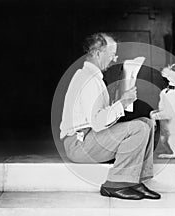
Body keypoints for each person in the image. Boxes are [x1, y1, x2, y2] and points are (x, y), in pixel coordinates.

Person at [60, 33, 161, 200]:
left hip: (88, 138)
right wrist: (122, 103)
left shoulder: (92, 77)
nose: (115, 59)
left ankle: (133, 180)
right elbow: (98, 123)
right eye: (112, 53)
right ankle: (116, 183)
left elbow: (99, 118)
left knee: (146, 123)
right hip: (79, 145)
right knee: (139, 128)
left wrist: (120, 100)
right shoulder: (88, 79)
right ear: (98, 53)